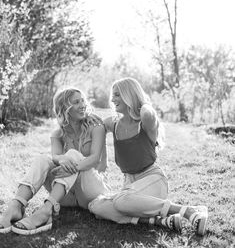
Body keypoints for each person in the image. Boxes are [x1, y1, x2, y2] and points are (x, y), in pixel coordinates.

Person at [88, 77, 208, 235]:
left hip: (153, 180)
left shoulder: (145, 123)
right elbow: (98, 127)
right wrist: (102, 159)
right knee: (95, 206)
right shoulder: (114, 123)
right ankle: (159, 220)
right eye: (113, 95)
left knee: (120, 201)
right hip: (130, 185)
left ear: (129, 95)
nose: (112, 99)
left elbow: (147, 113)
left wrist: (140, 103)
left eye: (117, 95)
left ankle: (188, 211)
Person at [0, 87, 109, 235]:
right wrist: (61, 159)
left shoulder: (96, 126)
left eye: (83, 100)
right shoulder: (58, 133)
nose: (83, 105)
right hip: (66, 196)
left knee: (72, 154)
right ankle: (16, 206)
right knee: (42, 158)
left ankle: (46, 211)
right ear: (65, 109)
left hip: (91, 192)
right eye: (76, 102)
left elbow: (95, 159)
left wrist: (70, 164)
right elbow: (55, 156)